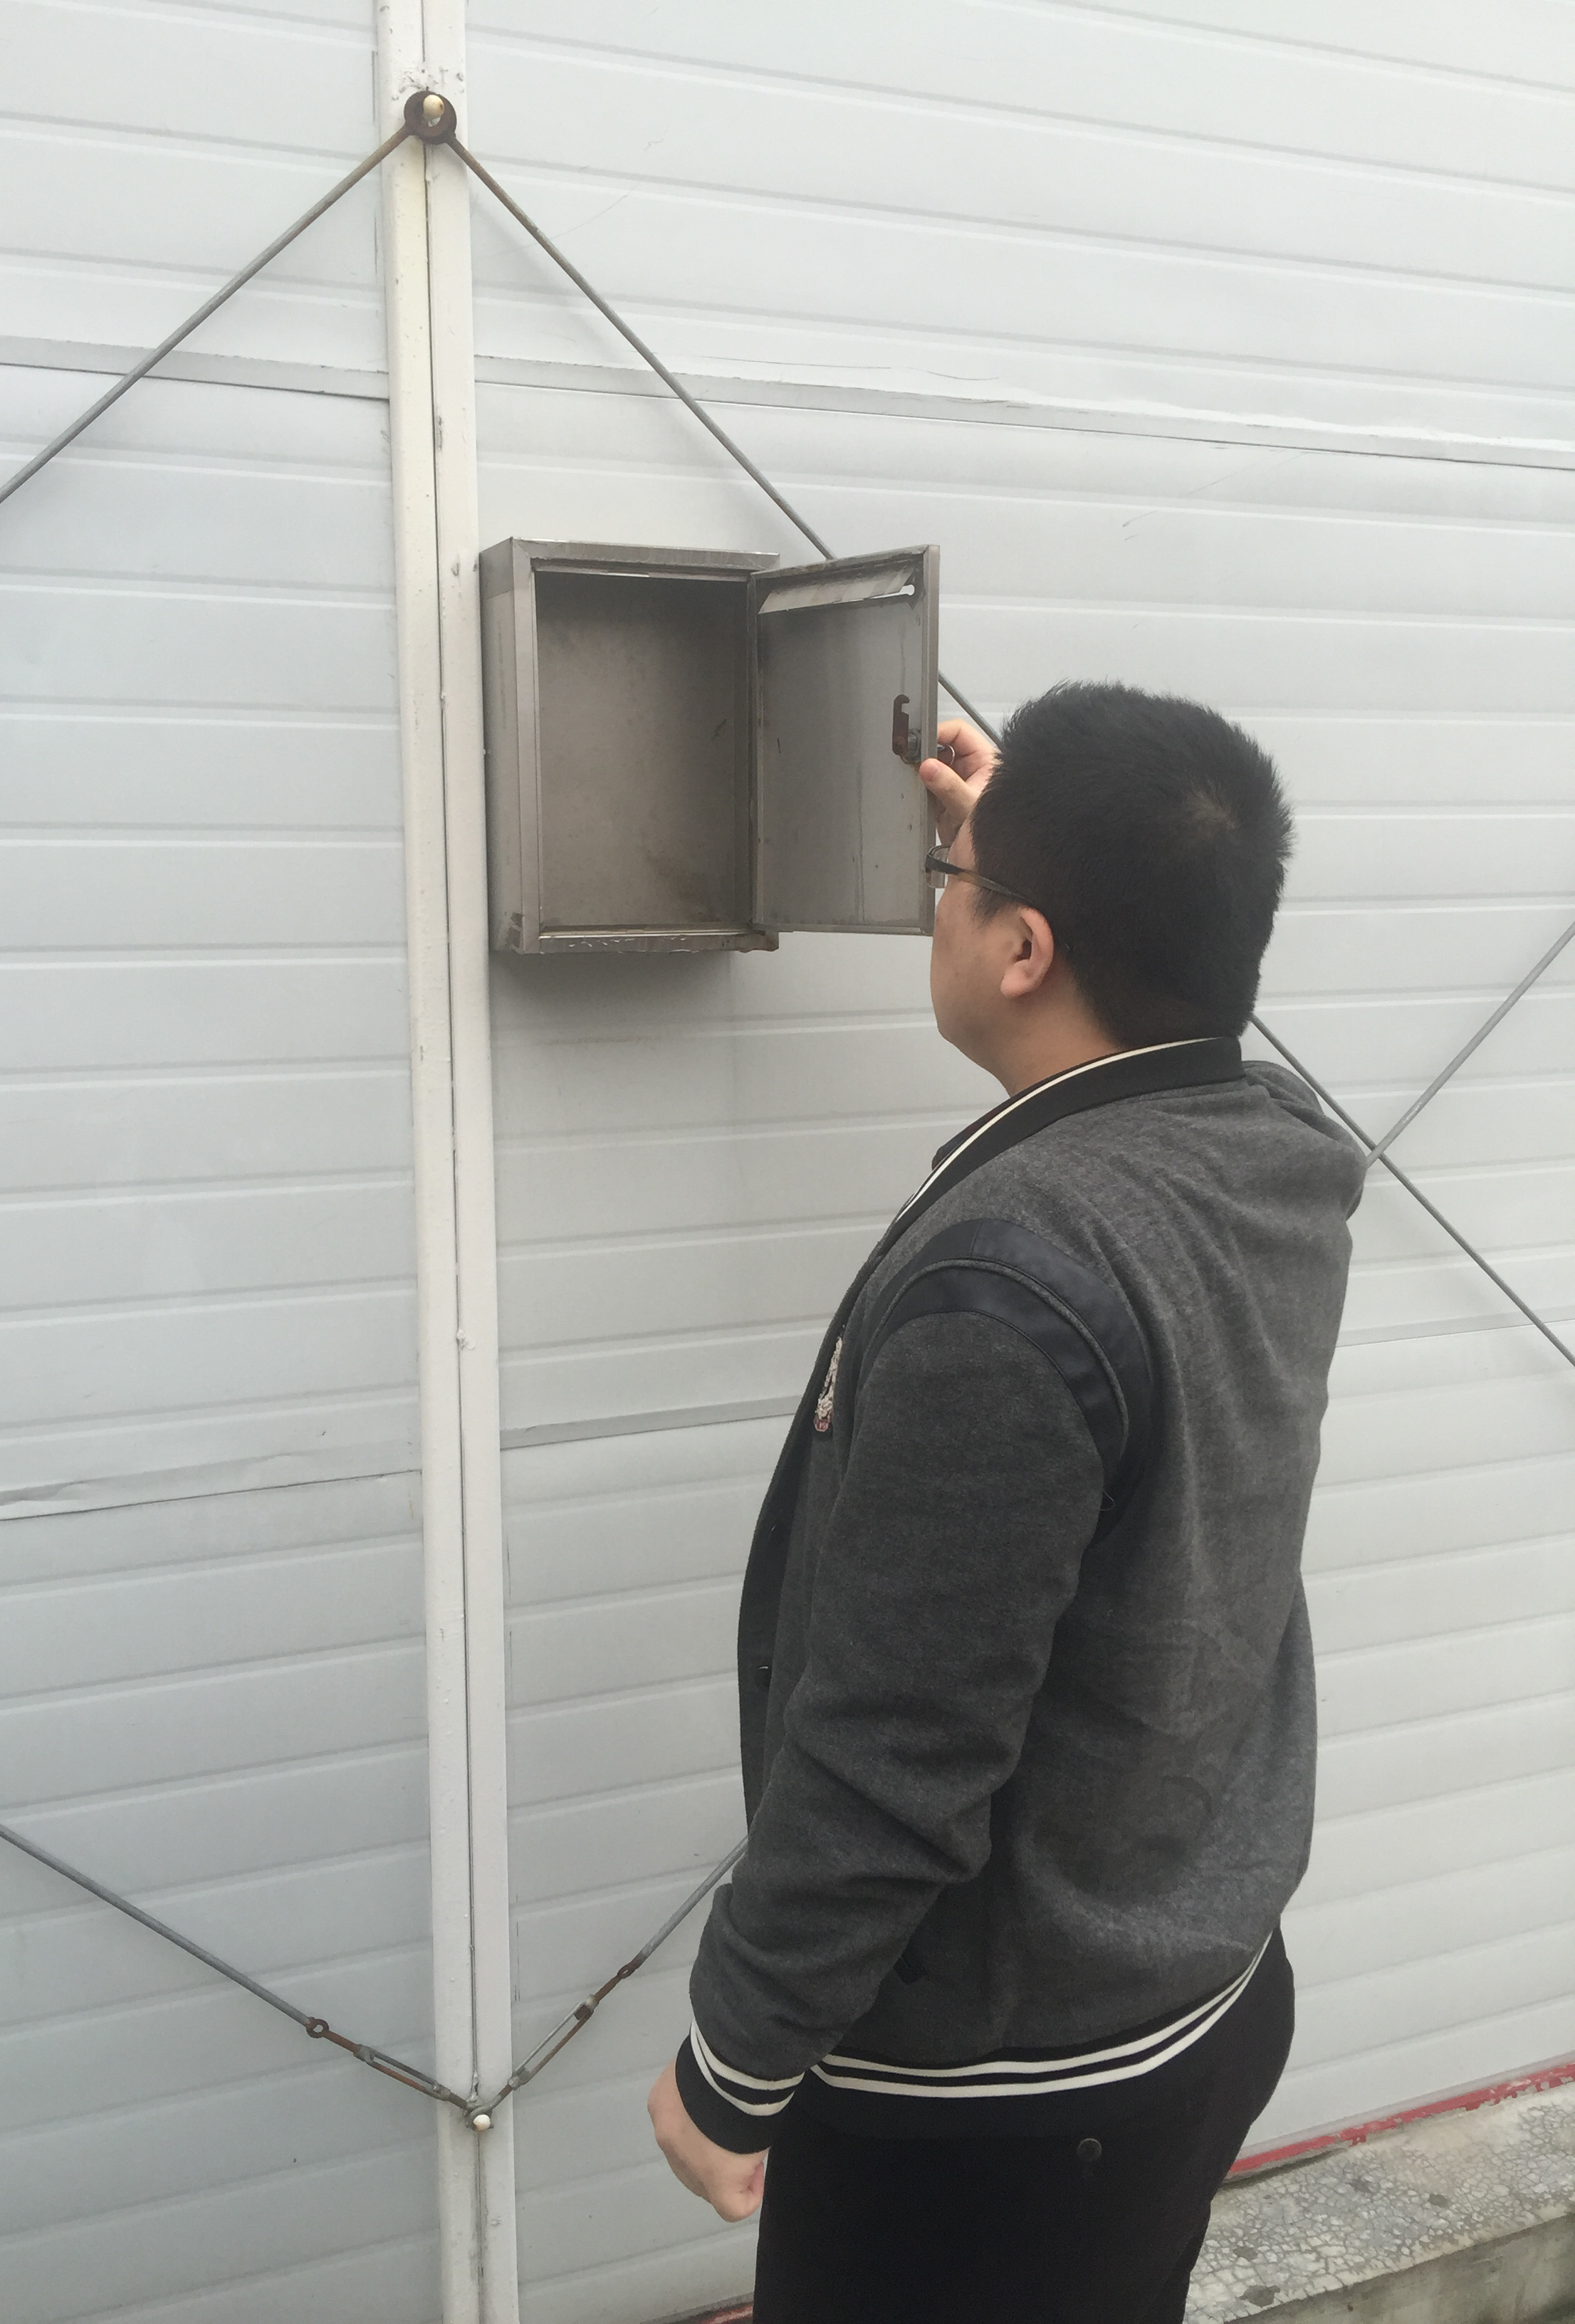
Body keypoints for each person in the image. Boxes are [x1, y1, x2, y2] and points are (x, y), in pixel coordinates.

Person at [645, 682, 1366, 2323]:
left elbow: (899, 1753)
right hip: (1201, 1995)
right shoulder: (1270, 1151)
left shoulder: (1012, 1289)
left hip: (1000, 2116)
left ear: (1026, 949)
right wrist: (1024, 836)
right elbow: (1149, 897)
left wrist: (735, 2059)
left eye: (954, 887)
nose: (940, 906)